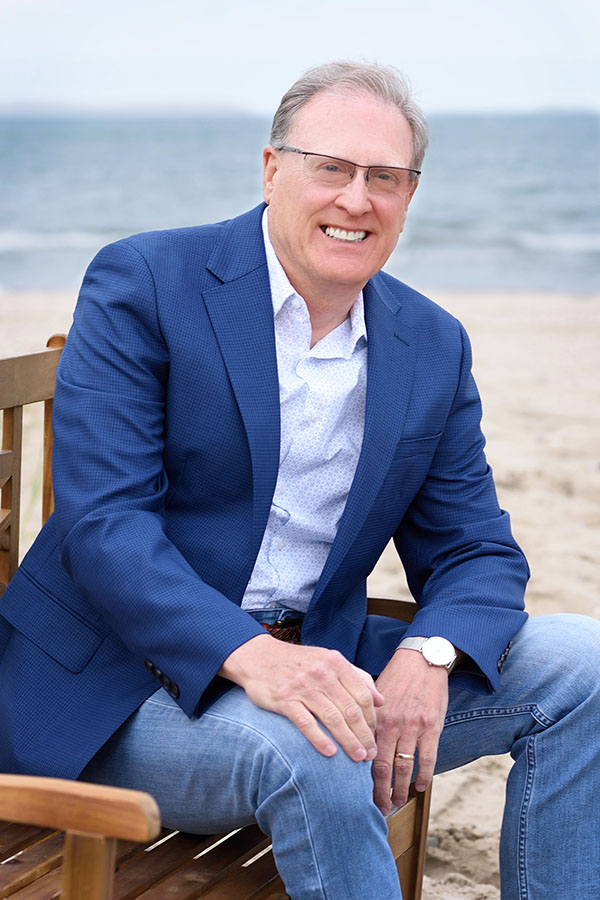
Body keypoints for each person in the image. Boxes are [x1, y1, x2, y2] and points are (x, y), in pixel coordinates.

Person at [0, 61, 598, 899]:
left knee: (587, 668)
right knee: (315, 749)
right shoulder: (146, 282)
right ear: (274, 167)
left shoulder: (431, 341)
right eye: (333, 168)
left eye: (385, 178)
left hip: (323, 663)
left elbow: (474, 547)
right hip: (121, 688)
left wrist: (432, 651)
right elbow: (107, 529)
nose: (358, 200)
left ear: (411, 195)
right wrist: (256, 661)